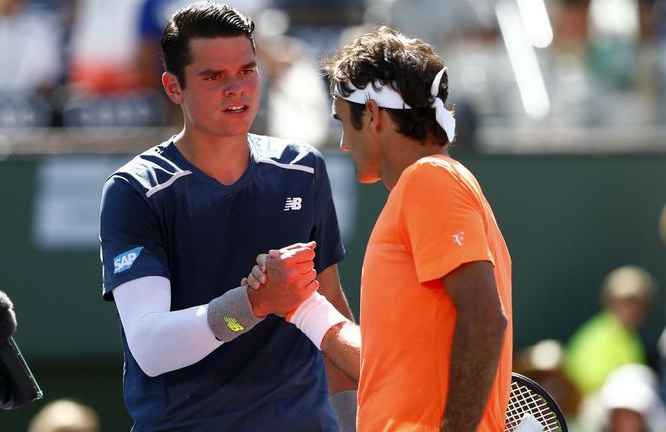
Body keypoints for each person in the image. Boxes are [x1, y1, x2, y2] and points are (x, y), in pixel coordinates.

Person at [98, 2, 356, 431]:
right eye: (213, 76)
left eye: (246, 70)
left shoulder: (303, 169)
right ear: (173, 87)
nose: (236, 88)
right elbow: (151, 347)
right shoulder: (135, 190)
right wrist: (253, 304)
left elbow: (331, 313)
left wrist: (352, 424)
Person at [246, 26, 512, 431]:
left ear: (371, 115)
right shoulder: (425, 184)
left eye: (343, 122)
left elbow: (485, 316)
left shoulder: (430, 178)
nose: (343, 143)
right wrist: (301, 306)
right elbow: (381, 365)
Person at [563, 265, 656, 398]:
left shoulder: (632, 339)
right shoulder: (594, 336)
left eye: (636, 303)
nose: (630, 310)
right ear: (610, 303)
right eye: (625, 303)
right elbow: (583, 385)